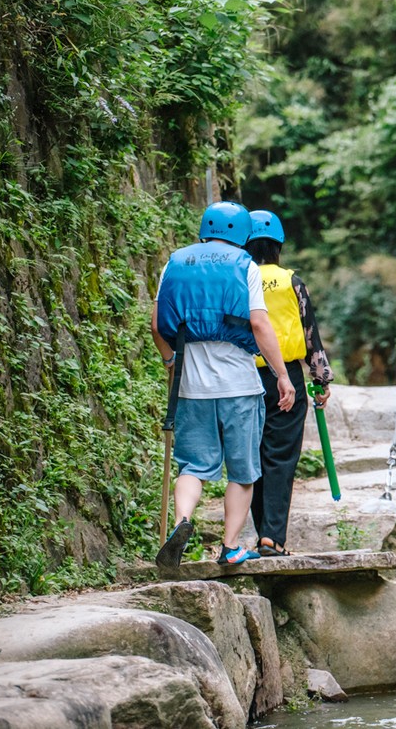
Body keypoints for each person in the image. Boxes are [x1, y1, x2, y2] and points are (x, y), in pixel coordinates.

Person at [151, 200, 296, 567]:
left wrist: (171, 361)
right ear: (242, 234)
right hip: (240, 387)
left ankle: (182, 521)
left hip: (191, 388)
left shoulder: (175, 262)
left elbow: (157, 325)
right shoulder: (244, 265)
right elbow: (260, 325)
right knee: (243, 471)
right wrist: (282, 375)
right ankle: (230, 547)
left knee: (193, 467)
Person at [245, 209, 335, 556]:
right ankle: (272, 538)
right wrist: (322, 377)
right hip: (287, 379)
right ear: (278, 245)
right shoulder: (291, 281)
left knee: (251, 455)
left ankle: (260, 533)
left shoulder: (240, 277)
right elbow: (310, 332)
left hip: (243, 375)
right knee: (280, 458)